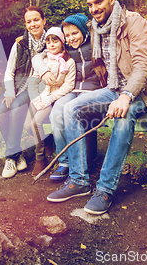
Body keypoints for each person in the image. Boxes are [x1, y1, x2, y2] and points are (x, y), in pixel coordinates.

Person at [46, 0, 147, 215]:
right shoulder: (95, 28)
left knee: (124, 113)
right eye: (90, 4)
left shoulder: (134, 22)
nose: (94, 8)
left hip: (137, 91)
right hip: (111, 88)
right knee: (70, 108)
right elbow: (70, 37)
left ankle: (105, 189)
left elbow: (143, 65)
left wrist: (126, 95)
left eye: (98, 2)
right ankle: (78, 180)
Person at [33, 13, 102, 180]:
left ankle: (86, 159)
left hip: (91, 91)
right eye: (68, 35)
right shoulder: (65, 50)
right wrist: (43, 71)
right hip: (71, 91)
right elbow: (38, 57)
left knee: (77, 113)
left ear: (84, 32)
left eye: (75, 33)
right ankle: (64, 161)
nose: (71, 38)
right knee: (57, 111)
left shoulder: (95, 44)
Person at [0, 6, 47, 178]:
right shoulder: (19, 44)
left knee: (17, 106)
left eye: (36, 20)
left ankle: (10, 158)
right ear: (25, 24)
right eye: (29, 21)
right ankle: (18, 155)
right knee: (1, 110)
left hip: (34, 86)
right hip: (15, 84)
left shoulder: (52, 41)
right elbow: (9, 71)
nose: (33, 24)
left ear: (43, 21)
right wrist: (9, 91)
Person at [24, 27, 76, 176]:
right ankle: (47, 140)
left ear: (62, 42)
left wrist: (50, 99)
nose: (51, 44)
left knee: (36, 123)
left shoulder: (68, 62)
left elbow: (68, 85)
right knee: (27, 125)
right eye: (48, 41)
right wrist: (36, 99)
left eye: (55, 40)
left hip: (53, 98)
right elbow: (33, 81)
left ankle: (40, 159)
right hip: (38, 96)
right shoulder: (42, 60)